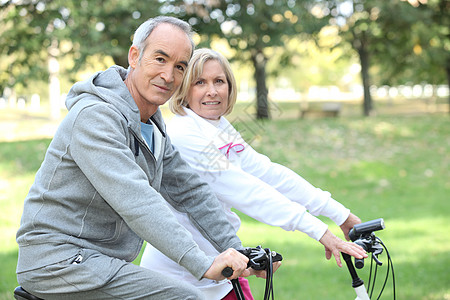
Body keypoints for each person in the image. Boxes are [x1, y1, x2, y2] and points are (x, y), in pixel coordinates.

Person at [15, 17, 264, 300]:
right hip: (58, 262)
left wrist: (239, 251)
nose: (168, 76)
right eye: (160, 59)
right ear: (135, 56)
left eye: (180, 66)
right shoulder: (95, 118)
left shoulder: (152, 126)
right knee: (185, 297)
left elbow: (191, 191)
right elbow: (137, 200)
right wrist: (202, 262)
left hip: (100, 262)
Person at [140, 48, 368, 300]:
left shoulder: (216, 127)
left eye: (219, 81)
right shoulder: (184, 134)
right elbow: (248, 191)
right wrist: (320, 232)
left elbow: (266, 172)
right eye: (200, 82)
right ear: (185, 89)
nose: (212, 91)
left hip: (223, 268)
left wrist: (340, 214)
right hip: (182, 278)